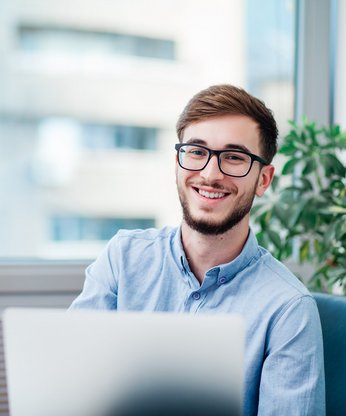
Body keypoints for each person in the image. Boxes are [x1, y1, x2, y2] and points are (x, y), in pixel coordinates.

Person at [70, 84, 325, 415]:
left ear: (264, 180)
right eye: (196, 151)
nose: (210, 173)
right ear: (178, 162)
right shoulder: (123, 258)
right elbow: (73, 388)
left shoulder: (288, 309)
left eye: (234, 157)